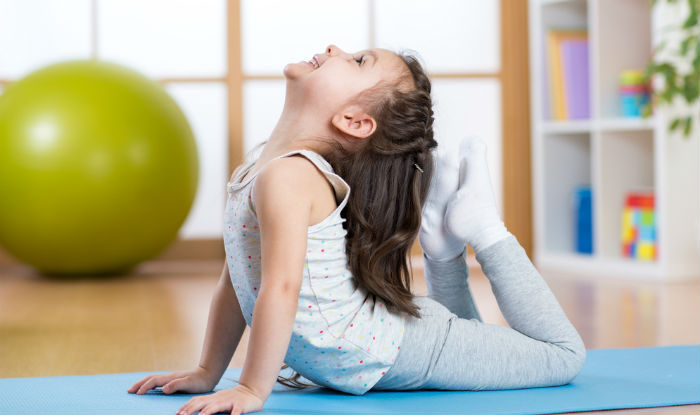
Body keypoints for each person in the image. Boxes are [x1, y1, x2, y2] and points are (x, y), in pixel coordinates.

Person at [127, 44, 586, 415]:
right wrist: (209, 369)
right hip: (384, 343)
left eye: (357, 60)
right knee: (476, 343)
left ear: (355, 121)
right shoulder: (262, 163)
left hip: (402, 351)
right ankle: (444, 247)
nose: (334, 48)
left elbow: (280, 289)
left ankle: (482, 227)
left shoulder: (289, 177)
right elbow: (240, 279)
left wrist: (250, 388)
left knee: (563, 355)